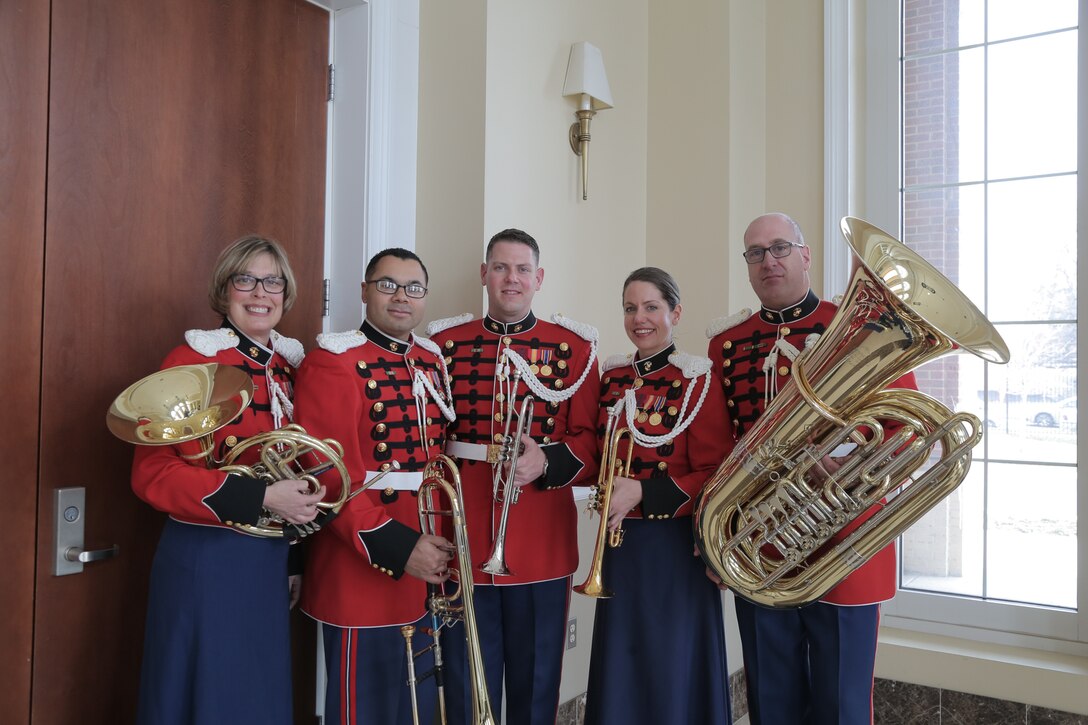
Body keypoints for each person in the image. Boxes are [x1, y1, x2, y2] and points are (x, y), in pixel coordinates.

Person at [706, 212, 917, 725]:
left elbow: (906, 430)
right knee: (771, 699)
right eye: (755, 253)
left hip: (846, 541)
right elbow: (717, 450)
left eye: (779, 247)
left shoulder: (859, 328)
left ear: (805, 255)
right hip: (760, 543)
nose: (768, 261)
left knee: (841, 703)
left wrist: (842, 464)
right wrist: (713, 537)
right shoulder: (726, 345)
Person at [131, 234, 324, 725]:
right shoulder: (191, 359)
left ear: (286, 293)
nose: (260, 292)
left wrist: (294, 555)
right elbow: (153, 474)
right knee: (206, 693)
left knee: (256, 694)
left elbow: (295, 466)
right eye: (246, 279)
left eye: (272, 281)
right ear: (224, 291)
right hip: (204, 555)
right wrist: (258, 495)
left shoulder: (288, 367)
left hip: (270, 555)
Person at [427, 228, 601, 725]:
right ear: (484, 274)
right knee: (465, 681)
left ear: (539, 278)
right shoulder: (443, 344)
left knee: (536, 681)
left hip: (540, 538)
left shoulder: (574, 347)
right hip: (463, 528)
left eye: (523, 269)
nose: (511, 278)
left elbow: (590, 440)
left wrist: (547, 461)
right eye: (500, 267)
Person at [292, 248, 456, 725]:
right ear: (364, 292)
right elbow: (327, 477)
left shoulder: (429, 359)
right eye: (387, 285)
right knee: (364, 707)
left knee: (418, 702)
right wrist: (401, 547)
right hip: (365, 557)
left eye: (413, 288)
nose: (401, 297)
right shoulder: (332, 362)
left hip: (429, 555)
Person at [583, 267, 734, 725]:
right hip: (619, 548)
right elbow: (593, 455)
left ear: (675, 313)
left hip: (674, 547)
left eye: (651, 307)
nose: (639, 318)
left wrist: (644, 493)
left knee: (671, 665)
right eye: (631, 308)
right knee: (623, 663)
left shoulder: (698, 381)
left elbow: (714, 472)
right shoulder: (611, 379)